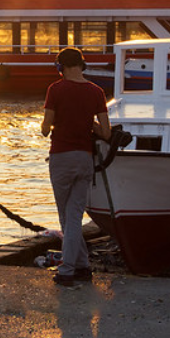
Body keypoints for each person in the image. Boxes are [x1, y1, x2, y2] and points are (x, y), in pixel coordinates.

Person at [41, 47, 112, 287]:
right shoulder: (97, 92)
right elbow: (106, 132)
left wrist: (54, 123)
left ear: (60, 68)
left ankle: (67, 270)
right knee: (74, 215)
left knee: (67, 216)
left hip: (61, 157)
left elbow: (45, 127)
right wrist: (87, 122)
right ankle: (82, 266)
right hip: (85, 160)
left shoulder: (55, 89)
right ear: (82, 65)